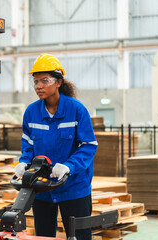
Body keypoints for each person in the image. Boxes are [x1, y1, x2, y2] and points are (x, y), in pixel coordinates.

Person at [14, 53, 98, 240]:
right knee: (44, 236)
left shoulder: (76, 110)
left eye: (45, 80)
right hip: (42, 188)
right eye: (35, 82)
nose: (39, 86)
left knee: (79, 236)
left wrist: (69, 166)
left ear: (58, 82)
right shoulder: (31, 112)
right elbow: (27, 143)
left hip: (74, 187)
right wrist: (23, 162)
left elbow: (89, 145)